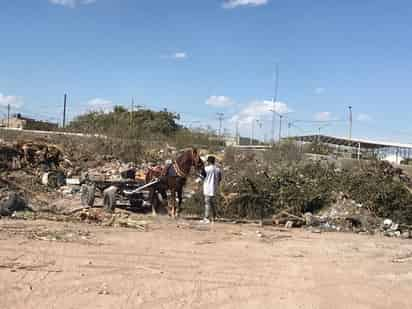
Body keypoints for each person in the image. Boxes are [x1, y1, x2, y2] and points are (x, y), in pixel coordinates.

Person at [201, 156, 222, 224]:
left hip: (207, 188)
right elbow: (219, 179)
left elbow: (202, 177)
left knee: (207, 203)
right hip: (215, 188)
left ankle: (206, 218)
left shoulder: (206, 169)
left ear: (208, 162)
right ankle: (213, 217)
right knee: (212, 203)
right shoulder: (218, 169)